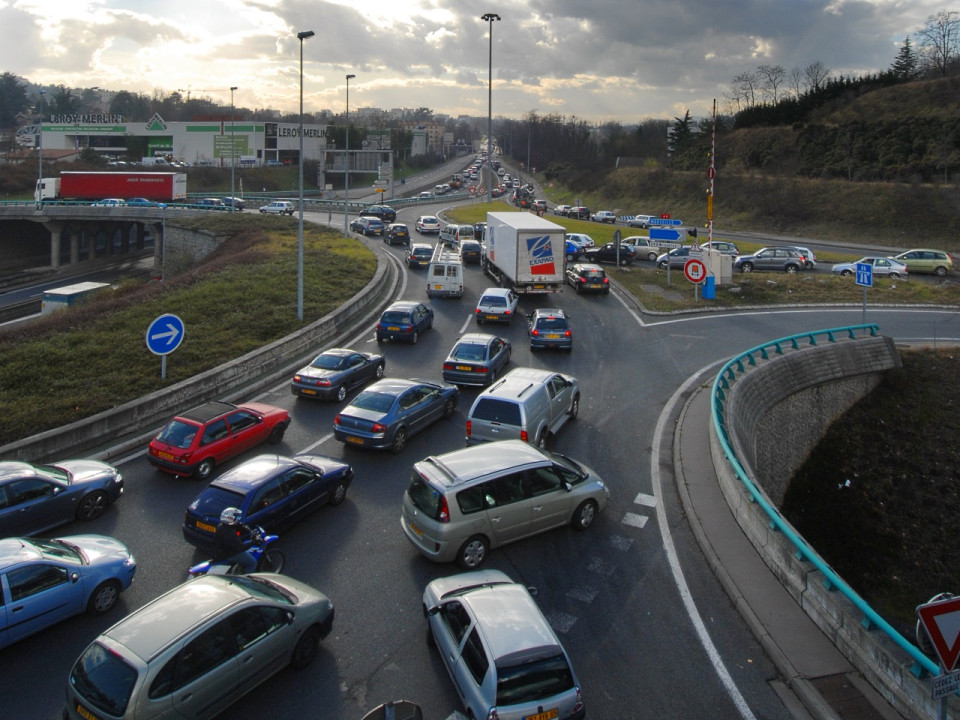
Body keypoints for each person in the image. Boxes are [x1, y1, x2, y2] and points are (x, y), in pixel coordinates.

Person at [214, 507, 257, 574]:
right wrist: (253, 542)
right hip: (231, 554)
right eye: (236, 517)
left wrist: (242, 527)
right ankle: (246, 580)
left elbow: (236, 526)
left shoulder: (221, 526)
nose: (237, 519)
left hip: (222, 551)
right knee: (252, 563)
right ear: (229, 518)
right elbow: (240, 548)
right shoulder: (230, 533)